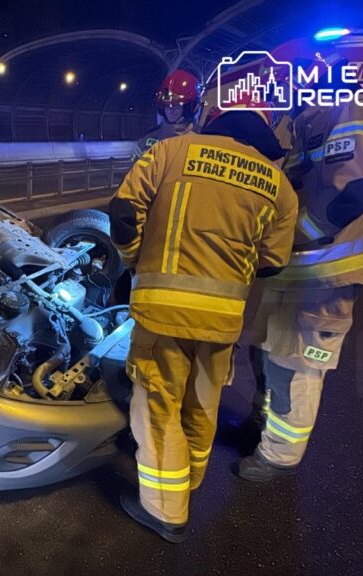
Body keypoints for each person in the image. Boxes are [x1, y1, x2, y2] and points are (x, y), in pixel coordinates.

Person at [109, 96, 298, 542]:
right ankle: (188, 483)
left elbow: (122, 212)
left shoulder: (172, 150)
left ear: (214, 120)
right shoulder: (279, 185)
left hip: (163, 312)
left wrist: (134, 260)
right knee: (202, 404)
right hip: (223, 321)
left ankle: (164, 510)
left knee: (158, 408)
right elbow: (273, 262)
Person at [237, 40, 363, 482]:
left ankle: (280, 456)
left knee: (298, 367)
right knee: (265, 354)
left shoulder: (351, 107)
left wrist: (292, 236)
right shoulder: (306, 119)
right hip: (292, 273)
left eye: (287, 79)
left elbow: (357, 190)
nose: (281, 89)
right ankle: (264, 428)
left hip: (324, 274)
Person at [131, 69, 202, 160]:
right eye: (167, 106)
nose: (170, 111)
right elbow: (136, 172)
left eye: (176, 106)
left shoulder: (203, 138)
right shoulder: (150, 138)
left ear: (190, 108)